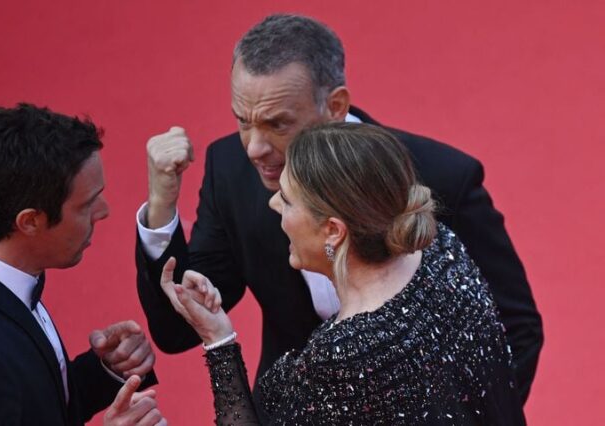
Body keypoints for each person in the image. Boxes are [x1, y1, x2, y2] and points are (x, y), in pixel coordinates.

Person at [135, 14, 542, 404]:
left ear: (335, 105)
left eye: (277, 124)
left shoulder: (441, 176)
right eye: (243, 121)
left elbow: (515, 329)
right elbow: (177, 331)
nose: (255, 148)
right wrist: (161, 207)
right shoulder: (230, 172)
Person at [162, 122, 526, 424]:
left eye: (286, 199)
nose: (273, 204)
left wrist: (219, 343)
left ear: (333, 231)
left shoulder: (339, 359)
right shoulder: (443, 249)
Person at [0, 104, 166, 426]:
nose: (103, 211)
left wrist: (107, 370)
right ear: (29, 221)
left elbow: (26, 403)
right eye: (85, 205)